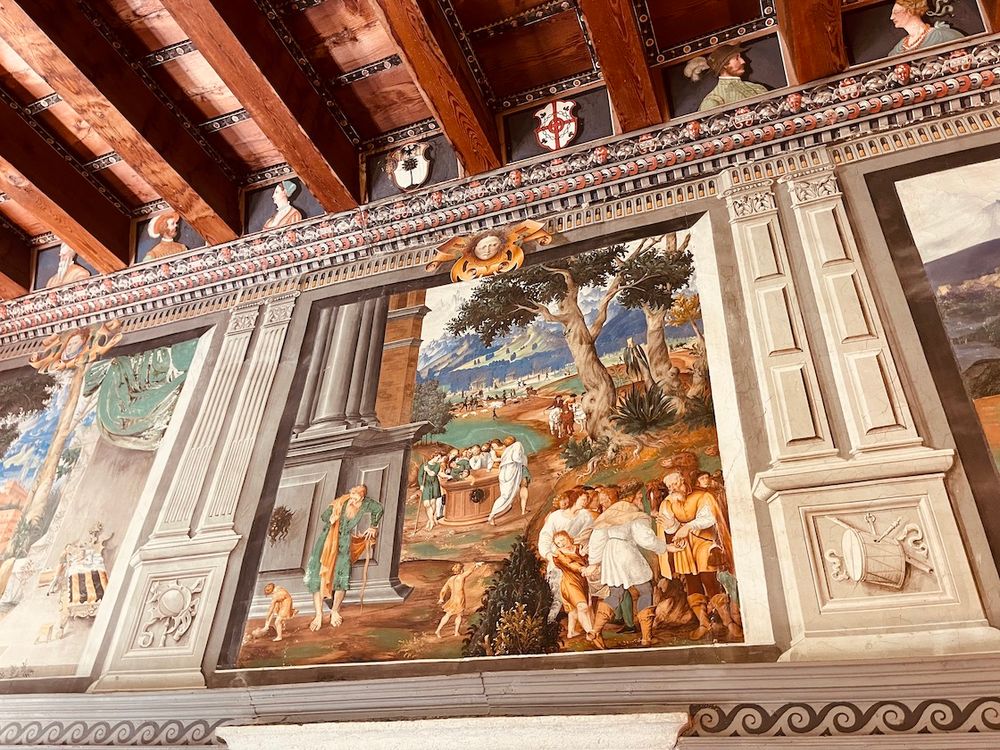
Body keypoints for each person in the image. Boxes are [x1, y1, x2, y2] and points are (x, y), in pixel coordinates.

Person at [656, 470, 735, 640]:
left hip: (704, 542)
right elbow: (669, 528)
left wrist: (688, 526)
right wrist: (672, 525)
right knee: (692, 583)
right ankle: (703, 624)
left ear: (683, 482)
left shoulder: (702, 496)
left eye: (675, 484)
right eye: (669, 486)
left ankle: (728, 622)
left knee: (709, 579)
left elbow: (709, 518)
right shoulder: (668, 503)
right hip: (684, 546)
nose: (672, 488)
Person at [584, 499, 666, 648]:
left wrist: (594, 562)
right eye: (639, 499)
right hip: (626, 553)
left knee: (616, 593)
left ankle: (595, 631)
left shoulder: (608, 514)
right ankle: (646, 637)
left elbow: (597, 539)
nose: (641, 502)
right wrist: (664, 547)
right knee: (645, 590)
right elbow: (645, 539)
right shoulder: (632, 513)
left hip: (610, 555)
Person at [304, 485, 381, 630]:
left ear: (362, 498)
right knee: (318, 576)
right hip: (327, 542)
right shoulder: (340, 502)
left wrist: (373, 526)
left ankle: (335, 611)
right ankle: (318, 614)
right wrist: (331, 518)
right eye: (351, 495)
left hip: (344, 544)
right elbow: (324, 516)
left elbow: (379, 509)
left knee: (341, 576)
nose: (352, 499)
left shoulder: (366, 504)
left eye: (355, 497)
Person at [685, 44, 768, 112]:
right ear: (724, 65)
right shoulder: (713, 100)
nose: (743, 61)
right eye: (737, 58)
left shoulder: (757, 88)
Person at [537, 492, 580, 622]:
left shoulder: (583, 516)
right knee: (556, 594)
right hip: (559, 561)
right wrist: (549, 555)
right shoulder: (555, 517)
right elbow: (545, 537)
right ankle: (548, 622)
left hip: (574, 560)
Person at [552, 531, 594, 639]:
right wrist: (581, 569)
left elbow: (588, 560)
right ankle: (591, 632)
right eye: (558, 543)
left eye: (562, 540)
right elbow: (569, 564)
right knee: (582, 606)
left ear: (568, 537)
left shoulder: (579, 548)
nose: (561, 544)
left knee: (574, 609)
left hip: (583, 581)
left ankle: (571, 632)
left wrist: (586, 557)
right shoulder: (558, 554)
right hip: (570, 583)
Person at [888, 1, 963, 56]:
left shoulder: (940, 35)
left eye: (896, 12)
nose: (892, 17)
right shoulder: (899, 48)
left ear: (910, 11)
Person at [488, 436, 530, 524]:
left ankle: (492, 515)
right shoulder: (517, 445)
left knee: (504, 495)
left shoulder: (506, 450)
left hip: (503, 473)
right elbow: (516, 458)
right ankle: (492, 515)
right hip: (510, 472)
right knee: (505, 496)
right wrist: (522, 459)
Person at [418, 452, 445, 529]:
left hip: (434, 484)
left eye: (440, 458)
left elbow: (432, 474)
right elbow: (420, 476)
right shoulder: (424, 465)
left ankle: (430, 521)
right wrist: (421, 485)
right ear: (434, 456)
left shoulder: (437, 465)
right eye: (438, 458)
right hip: (426, 485)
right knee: (426, 504)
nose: (439, 459)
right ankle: (432, 520)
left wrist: (427, 469)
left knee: (433, 502)